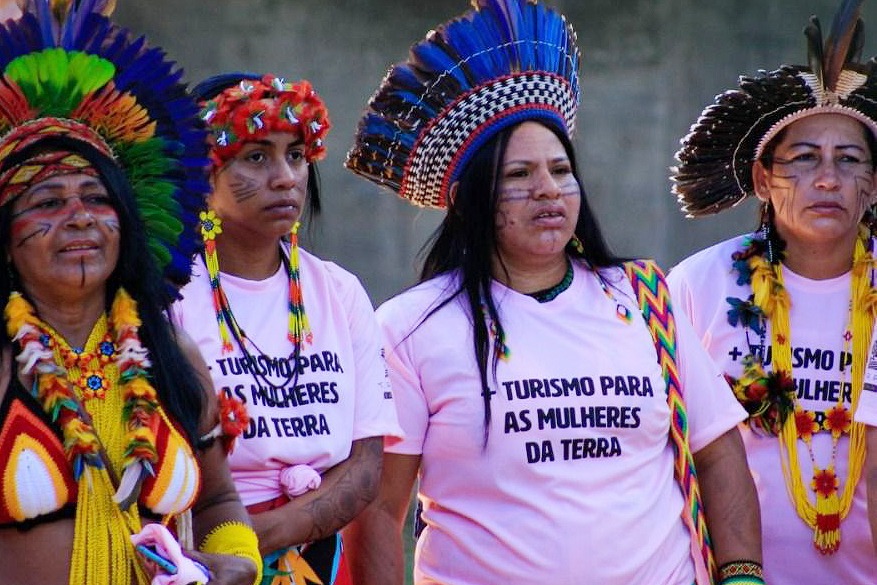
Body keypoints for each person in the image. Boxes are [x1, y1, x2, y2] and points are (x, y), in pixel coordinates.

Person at [343, 1, 763, 584]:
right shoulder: (409, 327)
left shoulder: (644, 299)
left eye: (561, 171)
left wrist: (742, 574)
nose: (549, 190)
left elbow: (717, 450)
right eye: (519, 175)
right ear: (467, 200)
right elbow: (378, 510)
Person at [0, 2, 263, 585]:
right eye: (47, 203)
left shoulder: (171, 355)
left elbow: (218, 500)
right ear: (6, 239)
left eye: (97, 199)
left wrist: (238, 561)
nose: (79, 217)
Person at [667, 1, 877, 583]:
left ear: (874, 182)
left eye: (849, 159)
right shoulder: (699, 284)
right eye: (804, 159)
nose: (828, 178)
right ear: (762, 179)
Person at [171, 71, 402, 585]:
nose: (285, 178)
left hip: (318, 562)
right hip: (200, 561)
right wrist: (228, 548)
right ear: (201, 175)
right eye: (256, 157)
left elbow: (366, 466)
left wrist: (257, 538)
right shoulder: (167, 298)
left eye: (296, 155)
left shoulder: (340, 291)